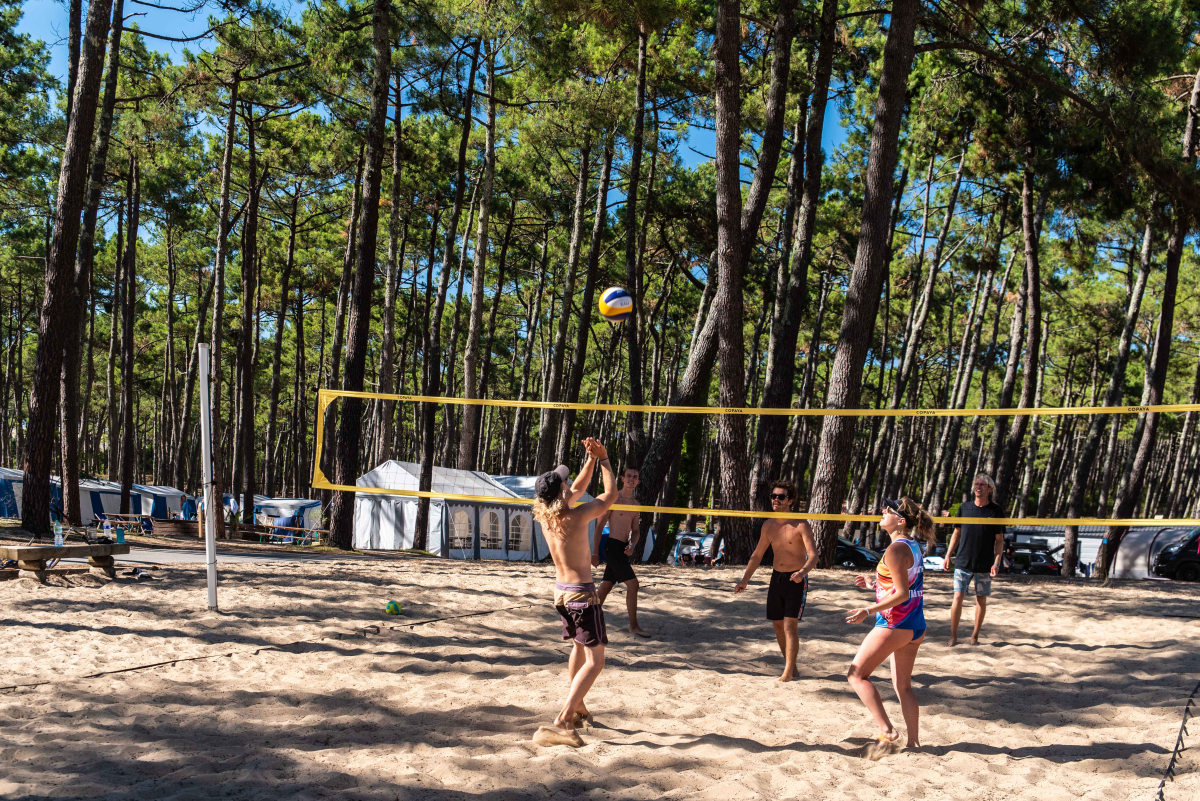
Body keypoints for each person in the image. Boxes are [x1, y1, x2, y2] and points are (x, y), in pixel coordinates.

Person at [530, 438, 618, 747]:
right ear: (563, 492)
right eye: (566, 483)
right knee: (596, 661)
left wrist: (590, 460)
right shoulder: (577, 516)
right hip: (582, 595)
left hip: (561, 594)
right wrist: (605, 460)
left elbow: (577, 487)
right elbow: (610, 496)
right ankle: (564, 718)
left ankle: (577, 706)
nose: (571, 485)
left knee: (577, 649)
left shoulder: (545, 515)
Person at [845, 496, 933, 750]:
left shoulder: (895, 549)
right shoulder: (911, 544)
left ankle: (887, 729)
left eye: (889, 510)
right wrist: (874, 584)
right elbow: (902, 584)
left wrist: (868, 609)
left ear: (900, 520)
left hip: (896, 624)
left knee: (856, 675)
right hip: (915, 625)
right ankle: (914, 743)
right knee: (902, 686)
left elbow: (902, 594)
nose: (883, 512)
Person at [733, 480, 818, 682]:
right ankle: (792, 667)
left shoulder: (801, 524)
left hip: (796, 578)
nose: (776, 500)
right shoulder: (769, 525)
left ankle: (788, 672)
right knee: (778, 625)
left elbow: (814, 555)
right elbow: (758, 554)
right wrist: (745, 579)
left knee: (790, 625)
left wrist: (803, 572)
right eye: (773, 496)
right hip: (776, 578)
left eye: (781, 497)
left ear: (791, 501)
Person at [942, 473, 1005, 646]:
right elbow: (956, 534)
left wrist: (996, 562)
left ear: (989, 489)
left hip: (984, 564)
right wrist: (947, 555)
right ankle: (953, 636)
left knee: (981, 599)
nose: (978, 486)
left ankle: (974, 636)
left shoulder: (995, 511)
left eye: (982, 484)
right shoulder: (964, 508)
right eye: (976, 483)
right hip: (962, 561)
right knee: (957, 597)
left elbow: (999, 541)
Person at [594, 466, 651, 637]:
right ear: (622, 478)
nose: (631, 479)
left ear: (638, 481)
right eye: (628, 476)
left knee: (605, 586)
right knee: (633, 585)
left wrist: (632, 545)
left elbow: (636, 531)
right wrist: (595, 552)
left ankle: (584, 620)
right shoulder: (614, 499)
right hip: (611, 546)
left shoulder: (636, 505)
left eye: (635, 476)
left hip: (623, 547)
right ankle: (633, 626)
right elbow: (599, 527)